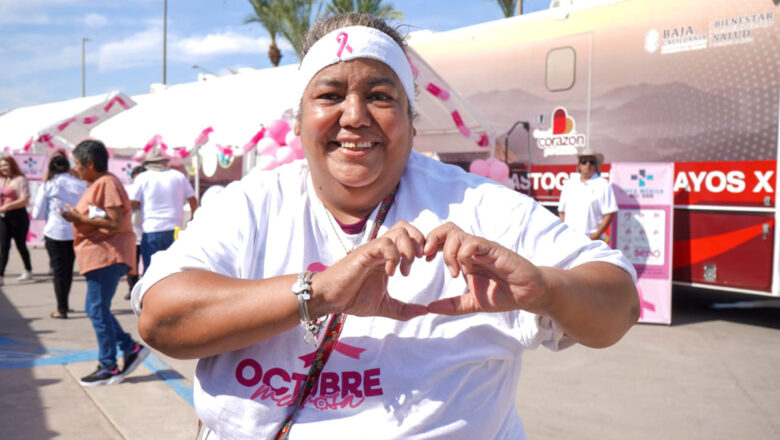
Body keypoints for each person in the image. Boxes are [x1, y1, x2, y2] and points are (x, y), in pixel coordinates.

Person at [133, 13, 639, 439]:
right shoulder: (252, 204)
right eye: (330, 95)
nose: (354, 117)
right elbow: (162, 319)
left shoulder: (480, 206)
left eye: (379, 95)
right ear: (300, 118)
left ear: (411, 118)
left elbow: (618, 305)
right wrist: (321, 292)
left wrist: (545, 287)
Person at [61, 140, 149, 387]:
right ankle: (129, 347)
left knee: (97, 309)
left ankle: (108, 365)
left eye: (77, 163)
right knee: (96, 309)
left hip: (107, 255)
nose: (75, 169)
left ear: (90, 163)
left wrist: (76, 217)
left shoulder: (107, 183)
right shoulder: (99, 184)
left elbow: (112, 222)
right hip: (99, 255)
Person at [32, 152, 88, 319]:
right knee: (68, 269)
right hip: (75, 231)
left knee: (58, 271)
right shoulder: (79, 184)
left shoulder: (49, 185)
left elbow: (37, 213)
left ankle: (61, 308)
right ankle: (65, 304)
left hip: (54, 231)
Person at [129, 147, 197, 275]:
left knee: (151, 272)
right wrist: (192, 218)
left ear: (148, 164)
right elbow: (193, 200)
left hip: (151, 229)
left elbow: (132, 202)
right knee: (174, 271)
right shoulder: (178, 176)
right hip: (175, 228)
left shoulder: (143, 178)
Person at [558, 147, 618, 241]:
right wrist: (565, 232)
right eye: (584, 161)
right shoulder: (569, 184)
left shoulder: (603, 185)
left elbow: (609, 213)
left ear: (596, 165)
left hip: (591, 240)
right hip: (570, 239)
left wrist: (595, 236)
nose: (588, 164)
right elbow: (561, 211)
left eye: (592, 162)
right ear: (579, 165)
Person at [0, 155, 33, 284]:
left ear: (12, 165)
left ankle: (28, 269)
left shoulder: (20, 180)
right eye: (1, 166)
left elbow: (25, 199)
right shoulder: (2, 180)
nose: (3, 168)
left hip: (18, 216)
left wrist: (8, 205)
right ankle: (1, 275)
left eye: (6, 165)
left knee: (20, 245)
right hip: (3, 217)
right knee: (4, 245)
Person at [124, 165, 146, 300]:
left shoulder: (149, 188)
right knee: (132, 265)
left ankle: (145, 289)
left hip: (147, 232)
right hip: (132, 233)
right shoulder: (127, 189)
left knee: (148, 264)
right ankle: (132, 289)